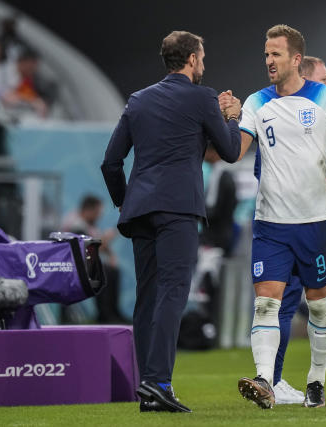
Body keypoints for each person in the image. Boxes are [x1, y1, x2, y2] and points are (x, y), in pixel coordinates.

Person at [227, 25, 326, 409]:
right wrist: (229, 118)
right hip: (271, 224)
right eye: (266, 54)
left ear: (295, 60)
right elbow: (234, 151)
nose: (268, 61)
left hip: (316, 221)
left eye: (275, 54)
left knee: (320, 305)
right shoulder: (257, 102)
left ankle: (316, 380)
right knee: (266, 303)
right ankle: (265, 379)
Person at [101, 30, 241, 413]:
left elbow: (111, 163)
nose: (205, 64)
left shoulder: (139, 100)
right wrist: (232, 117)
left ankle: (148, 388)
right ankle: (159, 382)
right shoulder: (202, 97)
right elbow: (229, 151)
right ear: (192, 59)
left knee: (147, 297)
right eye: (203, 57)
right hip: (178, 209)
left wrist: (124, 204)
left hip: (140, 210)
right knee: (173, 291)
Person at [269, 54, 326, 405]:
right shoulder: (293, 120)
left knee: (285, 303)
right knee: (282, 302)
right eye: (324, 80)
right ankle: (273, 380)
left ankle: (273, 378)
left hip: (298, 219)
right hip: (291, 222)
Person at [61, 195, 126, 324]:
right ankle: (105, 314)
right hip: (72, 267)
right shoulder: (76, 224)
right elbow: (87, 251)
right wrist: (106, 239)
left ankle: (113, 312)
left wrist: (111, 255)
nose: (99, 216)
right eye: (97, 213)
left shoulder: (89, 225)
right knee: (104, 271)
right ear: (88, 210)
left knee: (113, 270)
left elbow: (96, 244)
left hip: (84, 264)